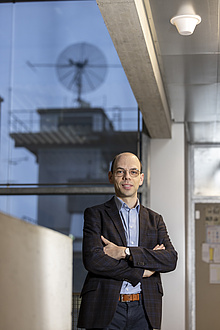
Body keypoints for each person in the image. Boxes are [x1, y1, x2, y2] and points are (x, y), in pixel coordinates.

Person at [77, 152, 177, 330]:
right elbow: (94, 260)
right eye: (120, 172)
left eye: (133, 172)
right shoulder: (95, 215)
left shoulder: (155, 220)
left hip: (144, 309)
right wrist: (140, 272)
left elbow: (170, 259)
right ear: (111, 176)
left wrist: (125, 252)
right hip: (105, 306)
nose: (127, 177)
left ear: (141, 178)